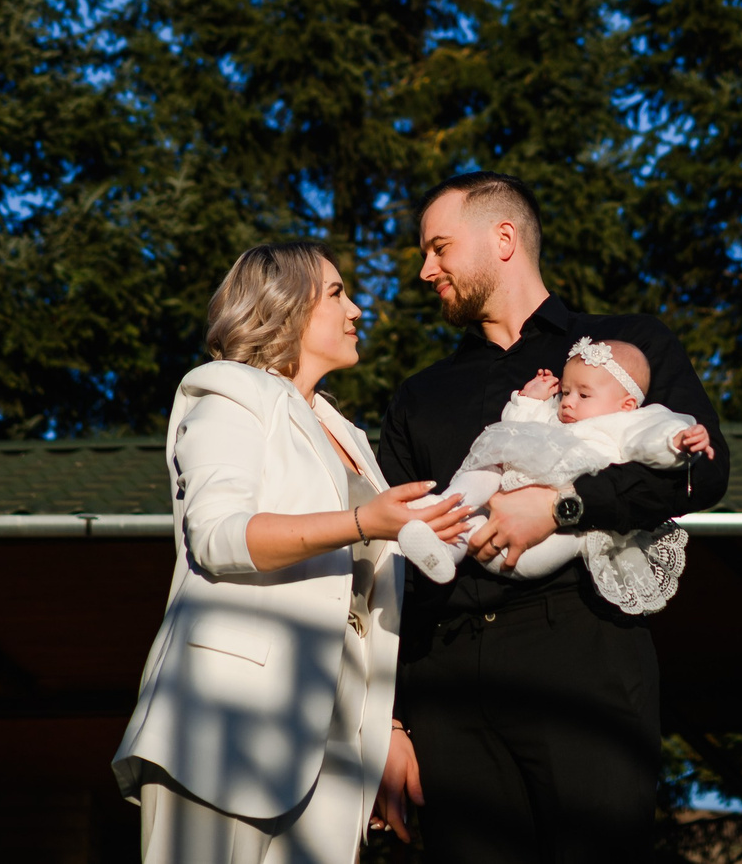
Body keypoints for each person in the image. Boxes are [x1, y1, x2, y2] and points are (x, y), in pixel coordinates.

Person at [378, 172, 732, 862]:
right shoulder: (419, 396)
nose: (426, 270)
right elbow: (388, 563)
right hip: (447, 682)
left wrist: (563, 508)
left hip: (580, 653)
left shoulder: (625, 347)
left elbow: (701, 470)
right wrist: (386, 719)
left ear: (503, 238)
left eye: (439, 247)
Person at [113, 243, 474, 862]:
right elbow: (220, 535)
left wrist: (381, 730)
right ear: (283, 307)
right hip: (225, 722)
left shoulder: (350, 435)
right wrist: (364, 520)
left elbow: (362, 598)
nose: (358, 309)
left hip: (333, 744)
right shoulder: (228, 392)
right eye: (337, 293)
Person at [395, 336, 716, 609]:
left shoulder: (628, 423)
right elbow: (514, 429)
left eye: (584, 394)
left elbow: (651, 439)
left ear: (627, 405)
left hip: (550, 537)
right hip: (496, 512)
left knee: (577, 536)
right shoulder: (556, 417)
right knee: (490, 463)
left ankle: (449, 530)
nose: (568, 403)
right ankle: (444, 528)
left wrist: (677, 442)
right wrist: (529, 399)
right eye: (565, 391)